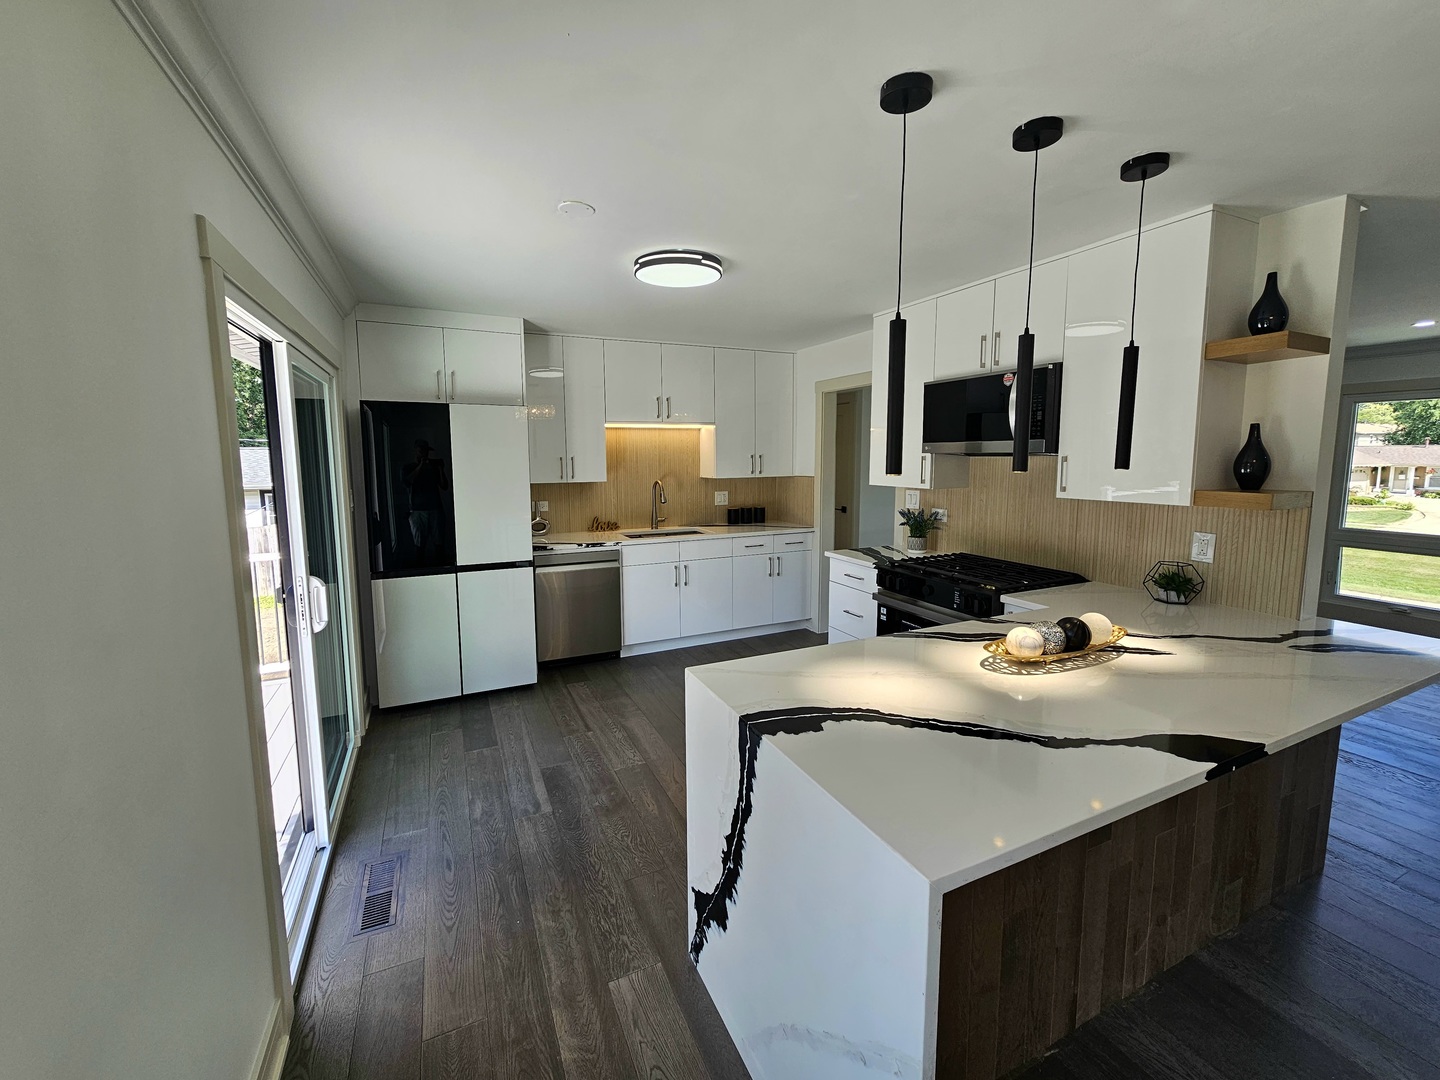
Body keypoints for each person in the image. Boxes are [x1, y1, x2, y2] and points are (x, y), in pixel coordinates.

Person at [401, 439, 448, 563]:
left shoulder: (433, 466)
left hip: (434, 508)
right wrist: (421, 465)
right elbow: (408, 482)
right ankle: (420, 570)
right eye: (421, 450)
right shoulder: (409, 467)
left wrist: (440, 470)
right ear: (416, 451)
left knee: (439, 544)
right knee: (419, 545)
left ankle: (440, 569)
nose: (423, 453)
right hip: (417, 510)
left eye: (425, 450)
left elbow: (444, 486)